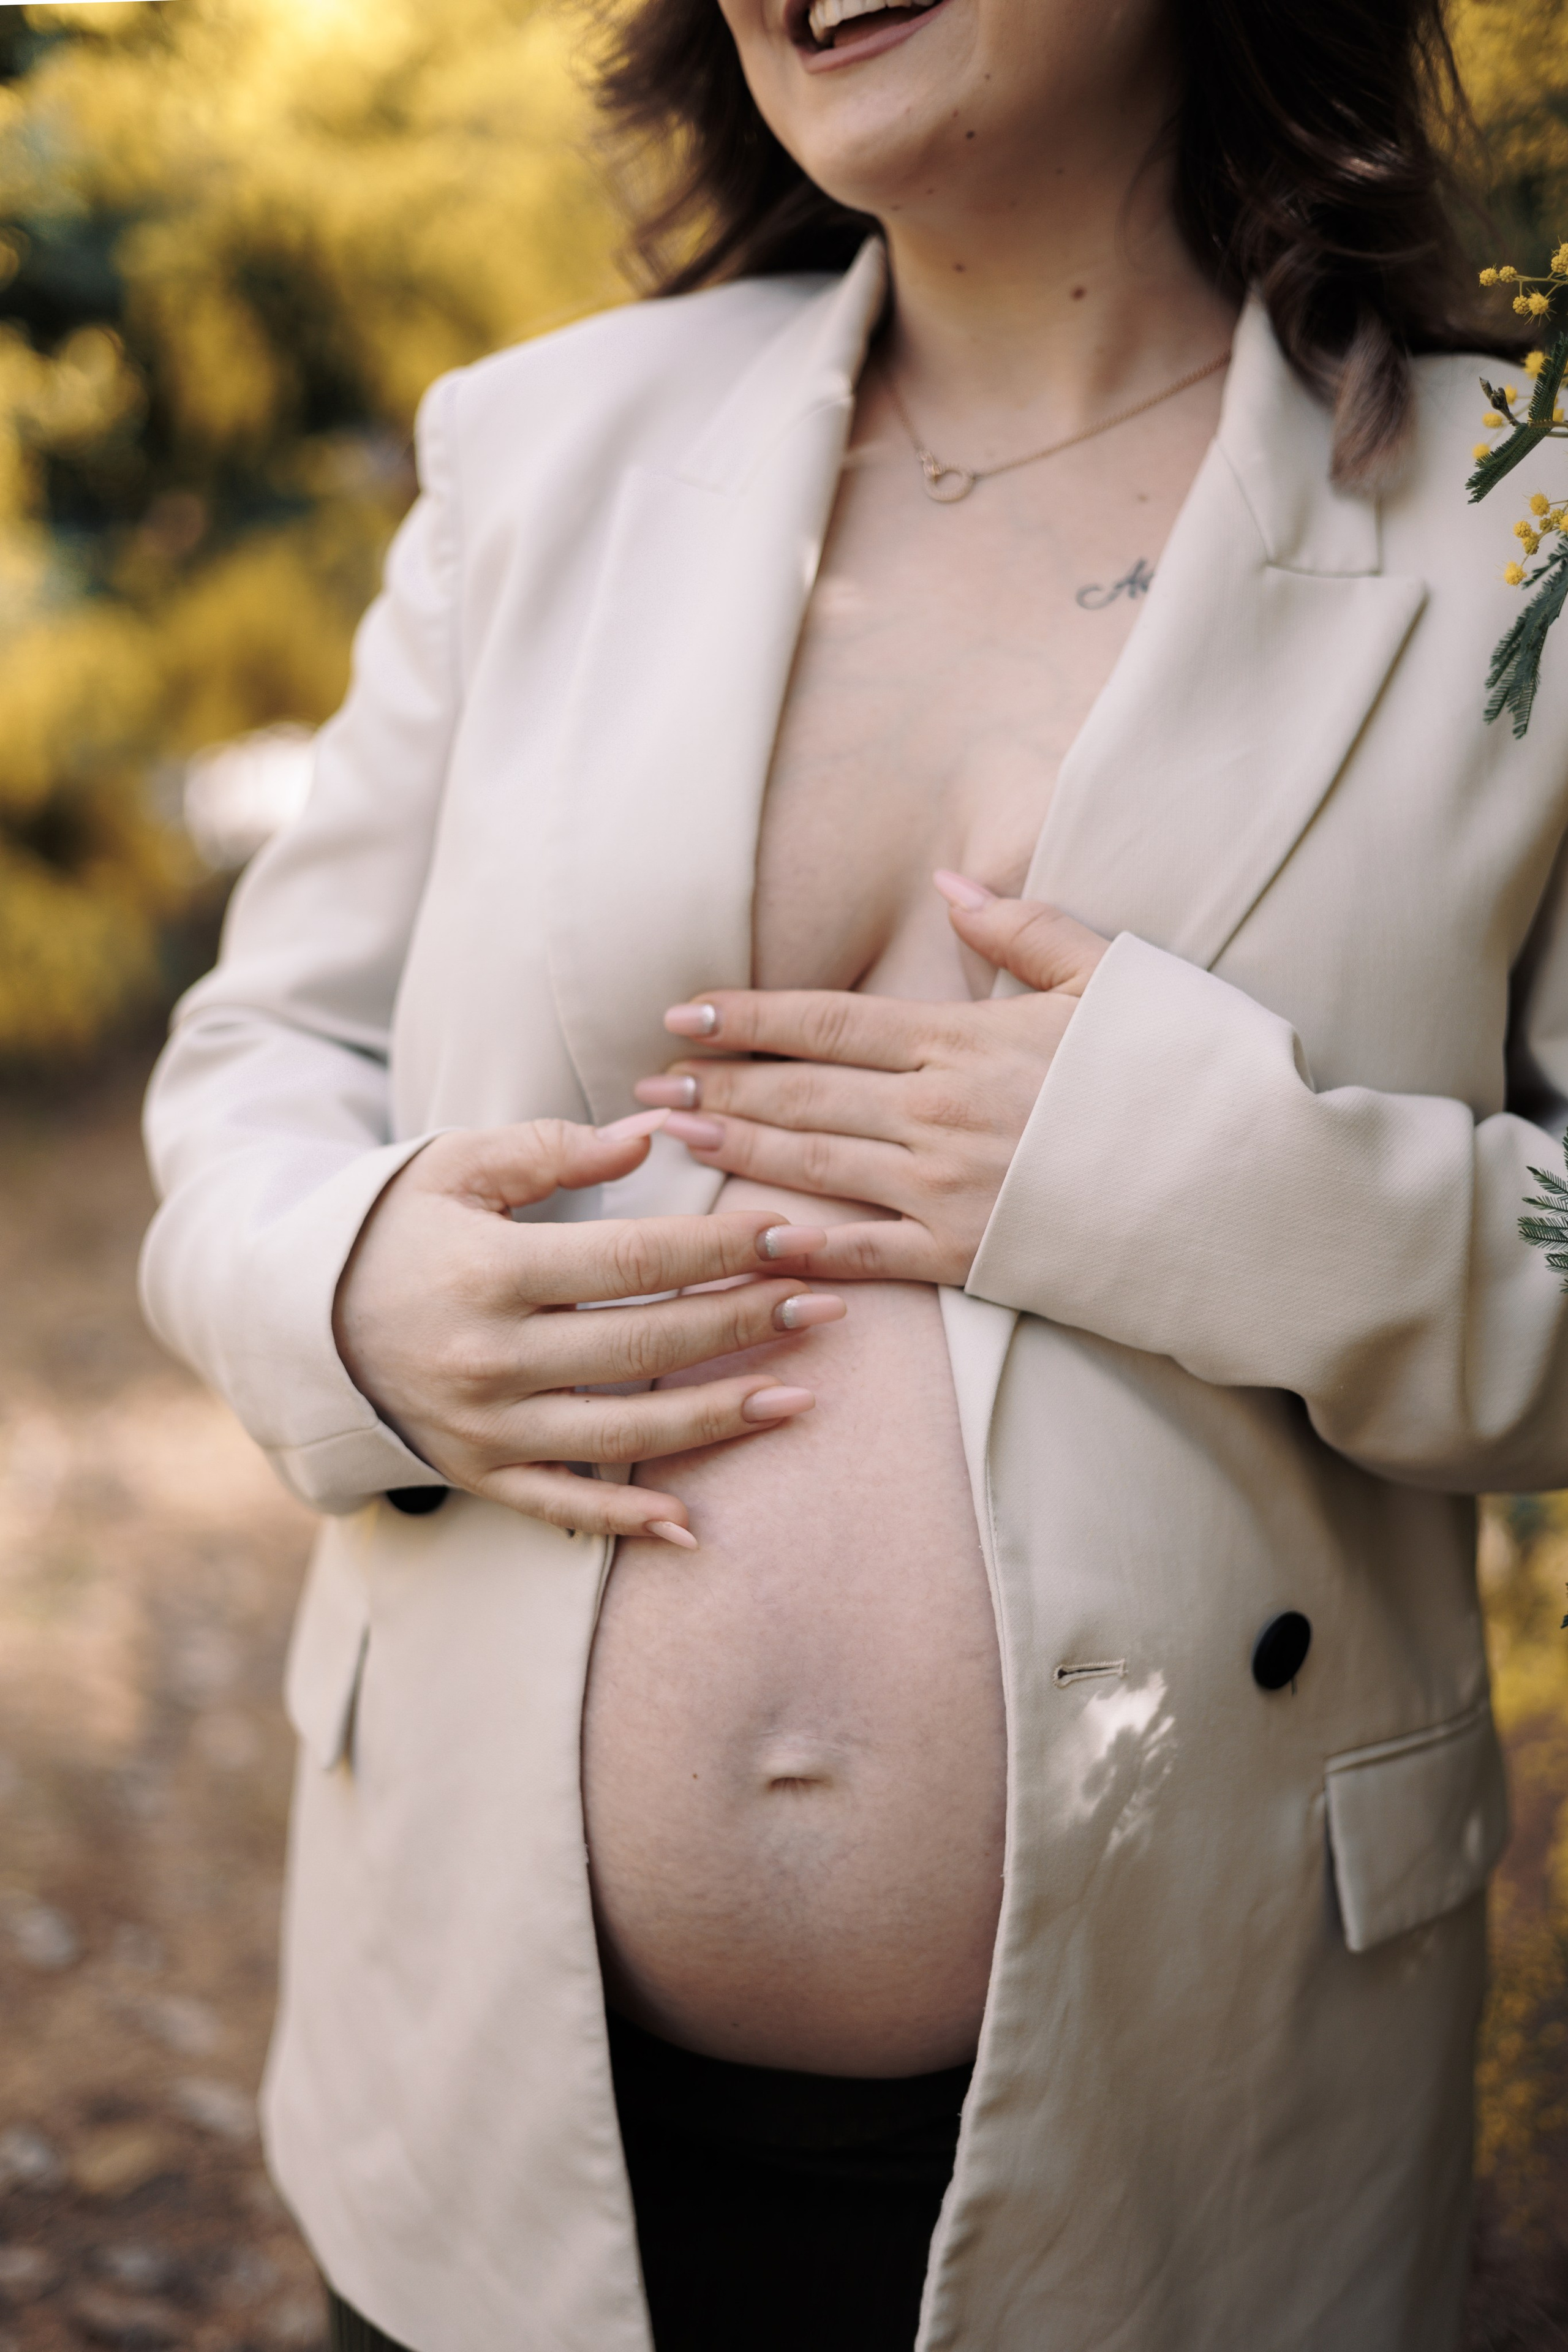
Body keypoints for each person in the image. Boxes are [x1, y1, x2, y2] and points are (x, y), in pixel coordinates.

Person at [138, 0, 1568, 2341]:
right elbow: (262, 1053)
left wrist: (1197, 1184)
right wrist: (349, 1287)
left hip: (1199, 2138)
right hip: (489, 2090)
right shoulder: (544, 450)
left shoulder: (1521, 528)